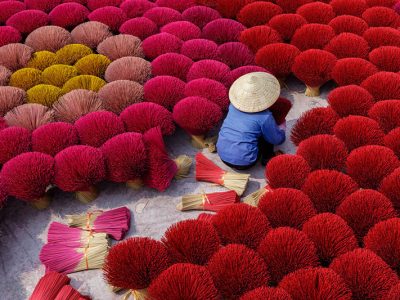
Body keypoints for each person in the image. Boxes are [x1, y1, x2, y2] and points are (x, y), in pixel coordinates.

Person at [216, 72, 286, 170]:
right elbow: (277, 140)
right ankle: (268, 157)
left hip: (222, 154)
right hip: (245, 162)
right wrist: (281, 129)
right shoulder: (265, 117)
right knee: (267, 133)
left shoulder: (233, 106)